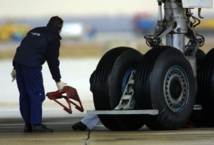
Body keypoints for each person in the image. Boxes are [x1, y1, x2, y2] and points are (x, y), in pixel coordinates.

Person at [11, 16, 66, 133]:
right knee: (37, 95)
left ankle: (28, 124)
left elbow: (20, 48)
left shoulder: (34, 31)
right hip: (31, 66)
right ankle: (36, 124)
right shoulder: (53, 38)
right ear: (59, 27)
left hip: (19, 63)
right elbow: (53, 61)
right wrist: (58, 80)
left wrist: (15, 67)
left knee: (25, 95)